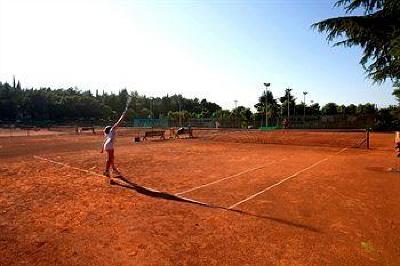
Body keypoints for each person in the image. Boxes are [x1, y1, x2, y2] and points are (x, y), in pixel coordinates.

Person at [101, 110, 127, 177]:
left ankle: (113, 168)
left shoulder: (108, 134)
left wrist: (102, 148)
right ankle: (106, 171)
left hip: (108, 145)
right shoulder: (112, 130)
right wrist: (122, 116)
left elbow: (105, 141)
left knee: (111, 158)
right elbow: (118, 122)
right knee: (110, 158)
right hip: (109, 146)